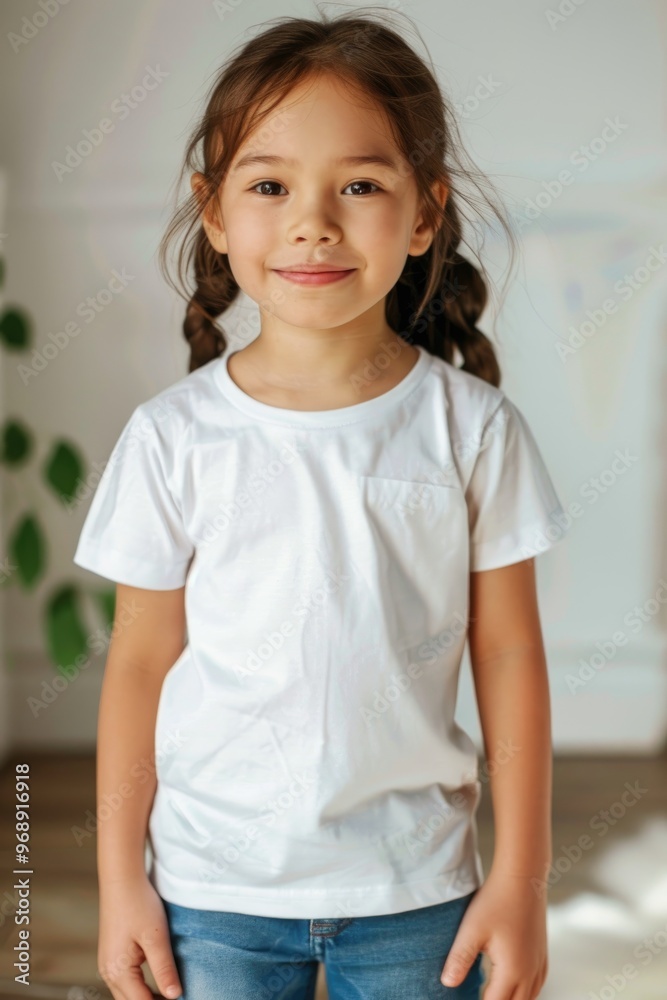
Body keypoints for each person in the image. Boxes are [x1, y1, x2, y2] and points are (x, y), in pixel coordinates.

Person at [73, 10, 571, 1000]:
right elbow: (138, 663)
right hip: (210, 892)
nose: (312, 220)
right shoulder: (172, 437)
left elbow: (509, 653)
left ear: (424, 213)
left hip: (419, 895)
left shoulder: (472, 430)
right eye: (268, 186)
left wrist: (520, 877)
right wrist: (120, 882)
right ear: (212, 210)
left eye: (360, 186)